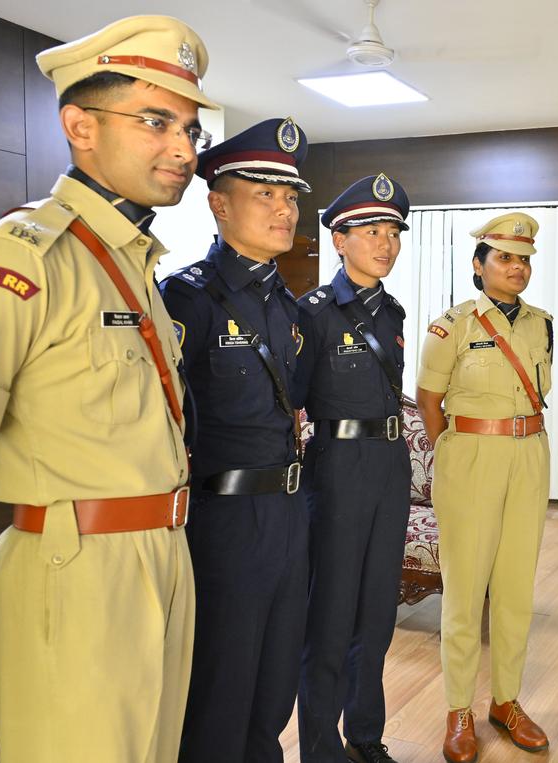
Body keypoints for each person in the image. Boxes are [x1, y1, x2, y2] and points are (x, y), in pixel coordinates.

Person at [0, 15, 215, 761]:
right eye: (157, 122)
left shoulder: (134, 264)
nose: (183, 149)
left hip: (166, 553)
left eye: (190, 129)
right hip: (71, 567)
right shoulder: (14, 263)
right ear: (80, 126)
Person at [159, 116, 312, 762]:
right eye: (265, 194)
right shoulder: (186, 300)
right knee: (221, 683)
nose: (285, 209)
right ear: (218, 203)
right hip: (223, 518)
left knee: (276, 680)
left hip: (289, 511)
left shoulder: (290, 307)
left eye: (291, 196)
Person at [416, 212, 554, 763]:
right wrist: (455, 454)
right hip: (471, 455)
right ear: (480, 265)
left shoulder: (541, 323)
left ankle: (506, 701)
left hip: (530, 453)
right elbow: (429, 402)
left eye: (523, 259)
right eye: (504, 257)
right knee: (466, 591)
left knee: (518, 587)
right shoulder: (453, 326)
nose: (516, 267)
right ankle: (458, 710)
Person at [294, 174, 411, 763]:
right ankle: (318, 747)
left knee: (377, 610)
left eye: (392, 231)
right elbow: (289, 401)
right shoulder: (311, 313)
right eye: (370, 231)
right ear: (339, 241)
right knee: (332, 612)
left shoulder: (393, 312)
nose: (385, 243)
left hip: (391, 466)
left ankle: (365, 736)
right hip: (337, 468)